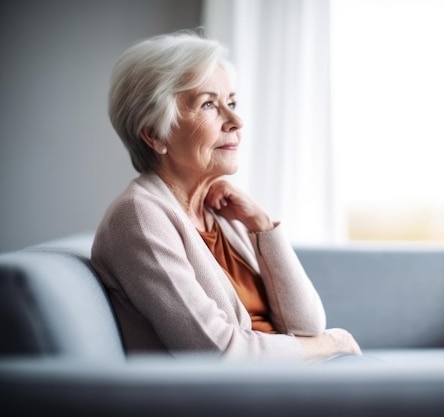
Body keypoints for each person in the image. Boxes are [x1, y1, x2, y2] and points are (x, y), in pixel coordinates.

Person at [91, 28, 361, 363]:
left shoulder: (217, 211)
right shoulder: (140, 218)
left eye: (231, 102)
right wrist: (330, 345)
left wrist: (262, 227)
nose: (235, 120)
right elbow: (220, 355)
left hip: (285, 380)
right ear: (154, 134)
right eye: (208, 105)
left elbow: (307, 324)